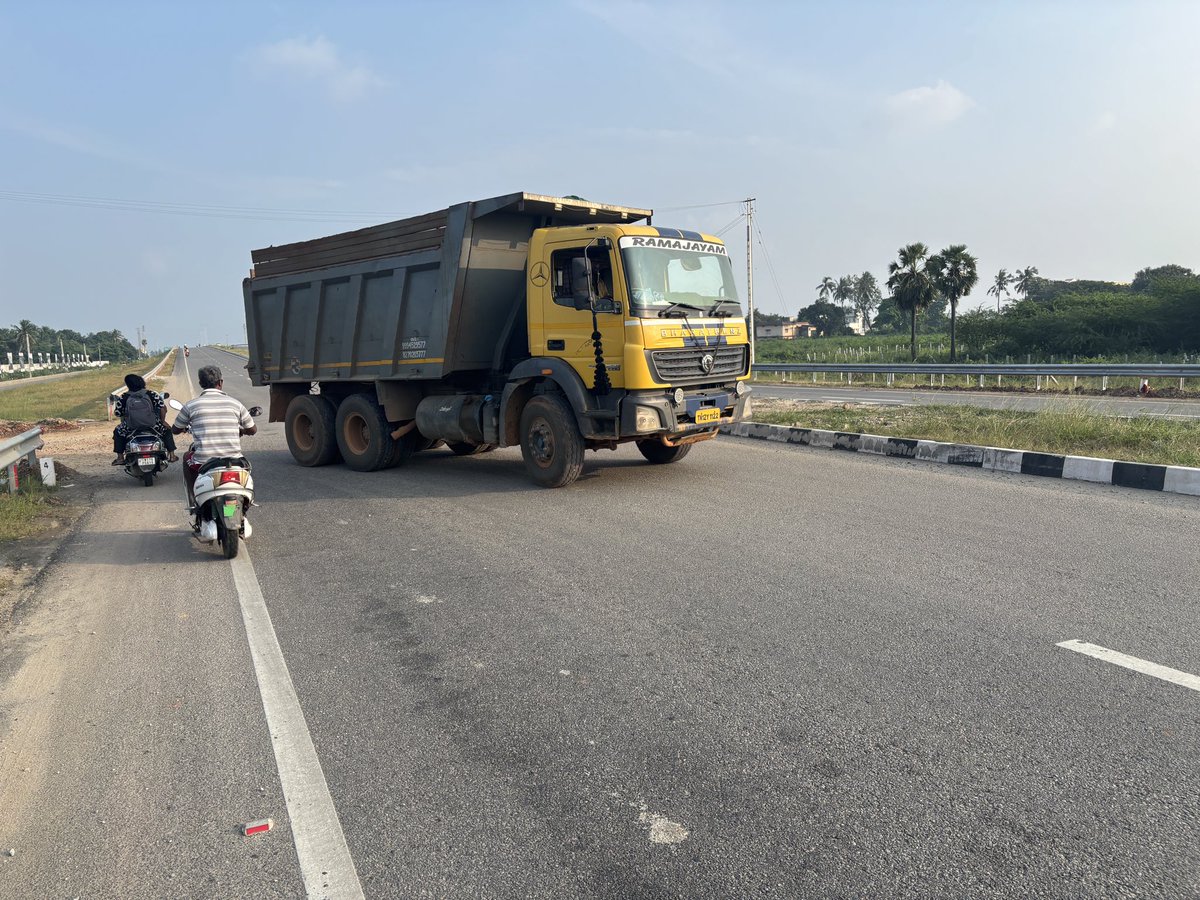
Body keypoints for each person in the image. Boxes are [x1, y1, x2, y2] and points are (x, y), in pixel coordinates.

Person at [171, 365, 257, 507]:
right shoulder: (235, 404)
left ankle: (193, 500)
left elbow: (175, 430)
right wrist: (242, 431)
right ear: (220, 382)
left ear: (201, 384)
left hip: (203, 461)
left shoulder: (191, 406)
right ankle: (241, 503)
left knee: (187, 457)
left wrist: (185, 426)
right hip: (234, 461)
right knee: (247, 468)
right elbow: (253, 430)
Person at [112, 373, 177, 464]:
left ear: (128, 385)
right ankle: (172, 455)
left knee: (117, 431)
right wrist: (162, 422)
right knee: (167, 430)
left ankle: (120, 457)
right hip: (153, 425)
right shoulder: (151, 394)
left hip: (131, 427)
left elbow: (118, 413)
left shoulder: (124, 397)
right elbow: (163, 408)